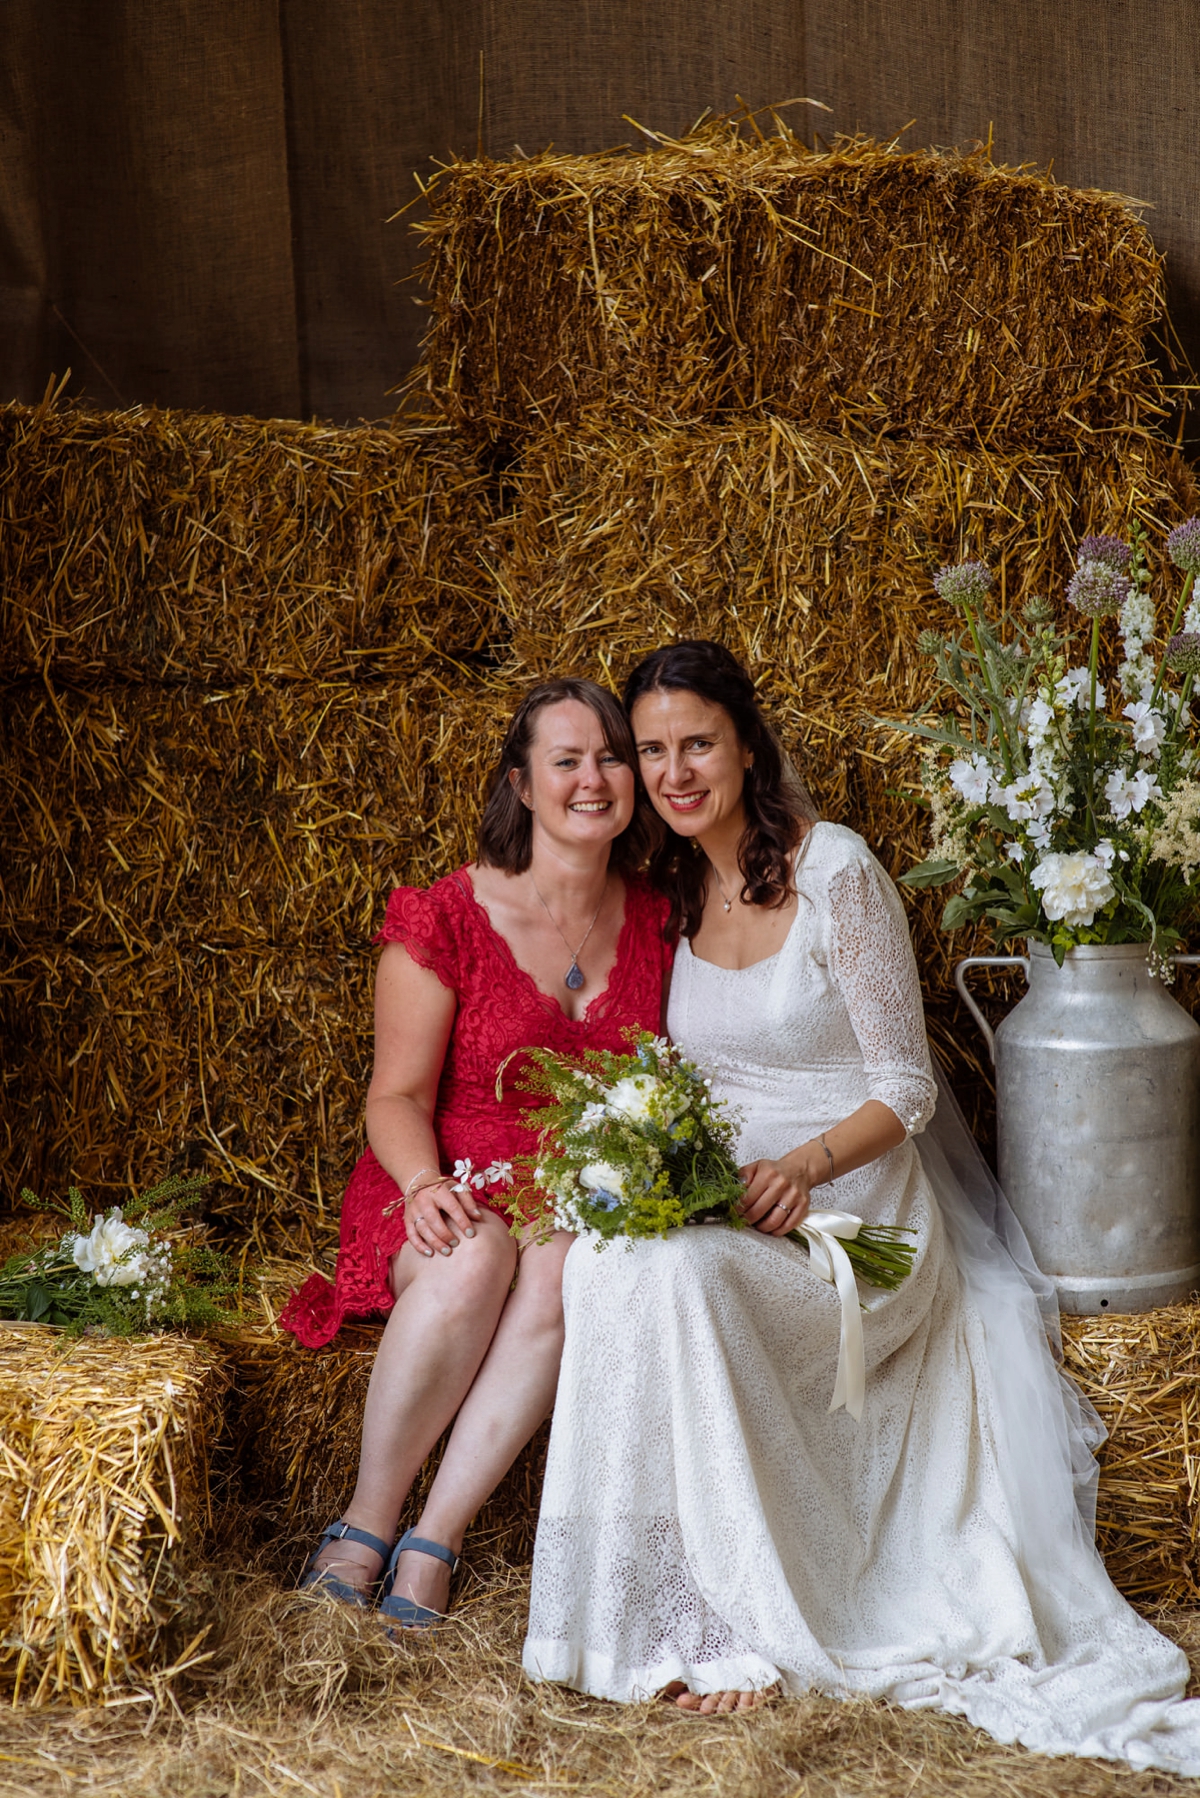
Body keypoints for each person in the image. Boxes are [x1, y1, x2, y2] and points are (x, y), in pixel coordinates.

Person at [523, 640, 1200, 1776]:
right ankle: (643, 1615)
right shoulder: (678, 883)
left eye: (697, 742)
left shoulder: (835, 870)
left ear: (745, 741)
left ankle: (744, 1618)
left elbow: (907, 1082)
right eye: (653, 751)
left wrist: (804, 1164)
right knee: (607, 1263)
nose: (675, 770)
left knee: (681, 1278)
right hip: (729, 1202)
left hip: (859, 1221)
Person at [281, 678, 671, 1629]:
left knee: (563, 1270)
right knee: (476, 1258)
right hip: (441, 1173)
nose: (595, 779)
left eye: (614, 757)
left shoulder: (668, 919)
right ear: (522, 786)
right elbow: (396, 1095)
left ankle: (435, 1541)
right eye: (567, 761)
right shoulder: (448, 915)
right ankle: (366, 1527)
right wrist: (422, 1184)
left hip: (581, 1193)